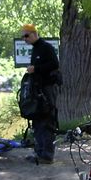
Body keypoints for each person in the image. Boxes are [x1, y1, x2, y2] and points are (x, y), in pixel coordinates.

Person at [21, 24, 60, 165]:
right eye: (23, 36)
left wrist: (36, 68)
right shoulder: (36, 48)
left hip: (48, 90)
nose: (24, 39)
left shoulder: (46, 47)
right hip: (38, 91)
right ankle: (39, 152)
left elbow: (55, 64)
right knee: (37, 120)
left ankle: (47, 155)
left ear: (34, 34)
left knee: (47, 120)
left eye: (26, 35)